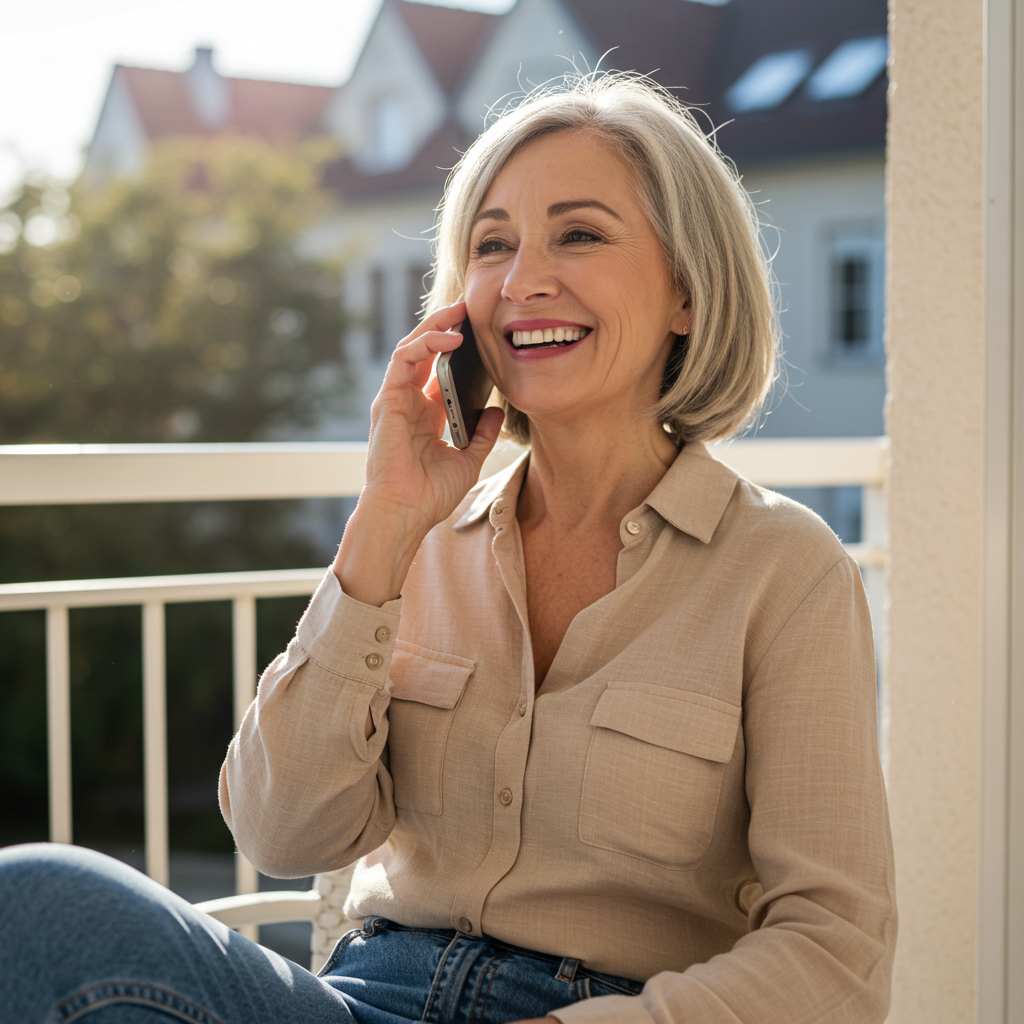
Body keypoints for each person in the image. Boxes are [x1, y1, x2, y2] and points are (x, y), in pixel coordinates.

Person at [0, 73, 896, 1024]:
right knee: (38, 905)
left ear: (686, 289)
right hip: (359, 1000)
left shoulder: (784, 570)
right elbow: (279, 828)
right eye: (492, 245)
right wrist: (382, 529)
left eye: (579, 234)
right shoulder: (417, 542)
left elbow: (835, 952)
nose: (521, 282)